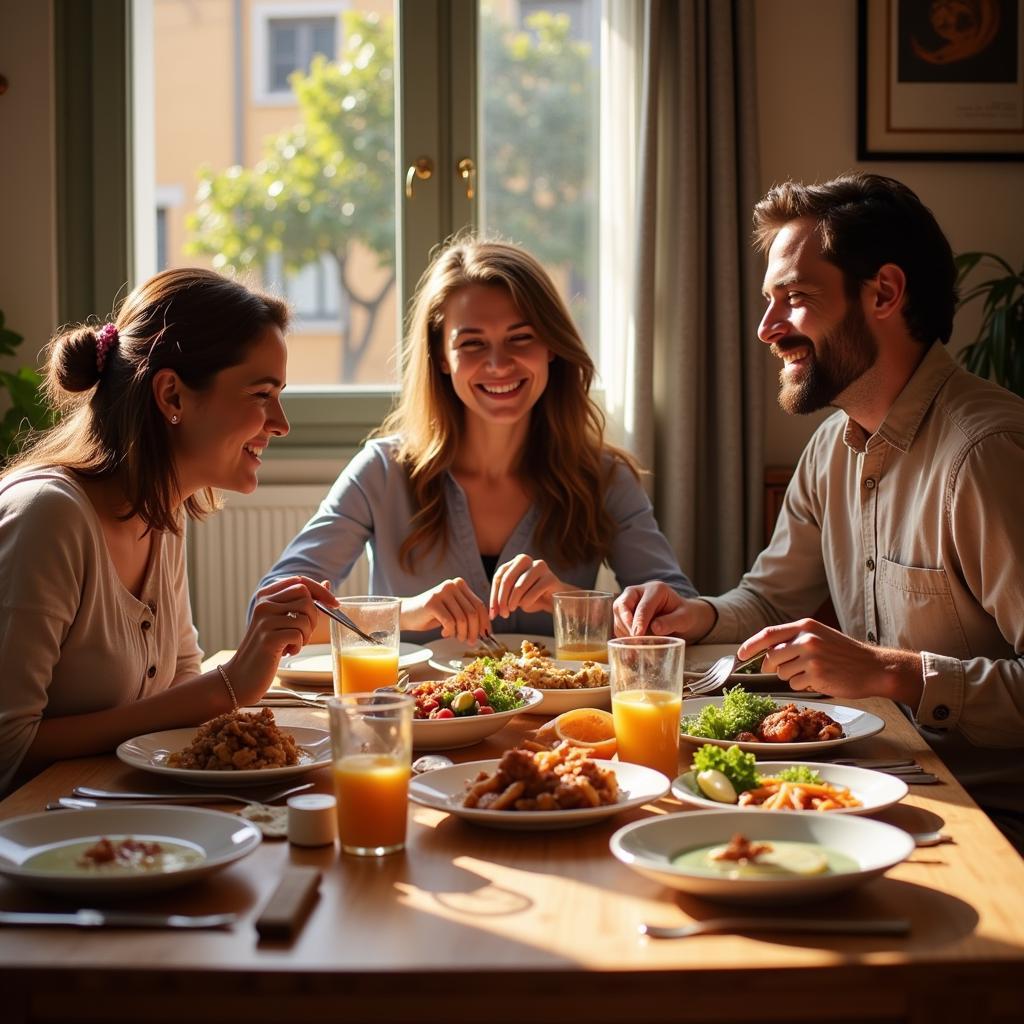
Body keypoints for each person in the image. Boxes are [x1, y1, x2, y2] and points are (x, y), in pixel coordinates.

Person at [615, 172, 1024, 845]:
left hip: (992, 823)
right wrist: (703, 616)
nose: (766, 328)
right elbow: (773, 603)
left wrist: (894, 672)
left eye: (795, 299)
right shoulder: (831, 446)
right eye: (768, 302)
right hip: (872, 788)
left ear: (885, 293)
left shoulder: (986, 454)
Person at [257, 238, 695, 643]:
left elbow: (677, 621)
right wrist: (404, 613)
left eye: (521, 338)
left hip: (555, 727)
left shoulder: (606, 478)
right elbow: (271, 614)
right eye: (471, 343)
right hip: (413, 724)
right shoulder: (381, 471)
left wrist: (569, 602)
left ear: (552, 348)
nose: (499, 364)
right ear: (441, 359)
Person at [0, 267, 333, 793]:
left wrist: (252, 665)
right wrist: (228, 686)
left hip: (118, 815)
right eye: (261, 394)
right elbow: (8, 749)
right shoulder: (48, 517)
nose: (281, 423)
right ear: (172, 396)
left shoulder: (163, 513)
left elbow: (177, 684)